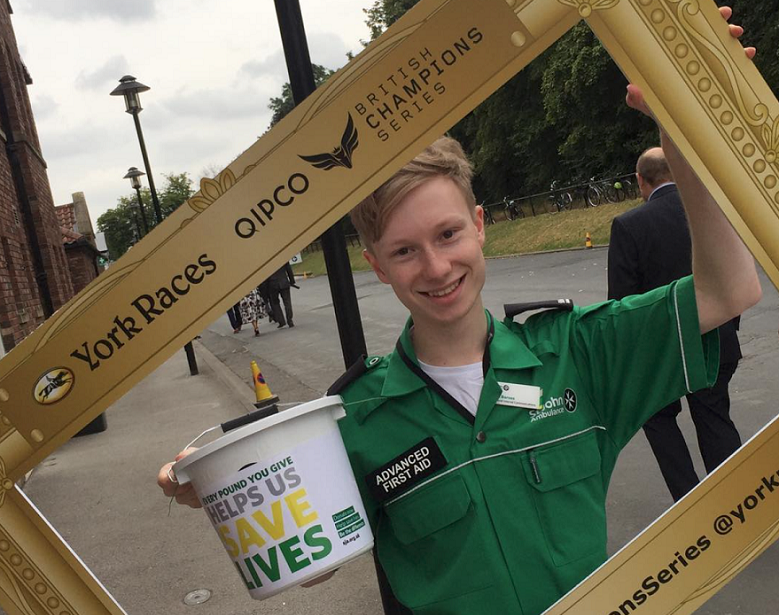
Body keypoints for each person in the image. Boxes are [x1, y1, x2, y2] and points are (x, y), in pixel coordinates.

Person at [159, 11, 758, 614]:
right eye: (404, 251)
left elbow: (728, 291)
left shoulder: (578, 354)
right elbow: (313, 564)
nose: (437, 267)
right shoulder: (356, 422)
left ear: (478, 227)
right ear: (376, 264)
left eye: (448, 234)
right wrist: (228, 489)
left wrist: (684, 122)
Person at [608, 147, 743, 502]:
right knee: (714, 415)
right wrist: (730, 325)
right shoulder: (708, 212)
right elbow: (733, 271)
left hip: (663, 347)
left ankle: (690, 497)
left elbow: (622, 301)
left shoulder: (628, 226)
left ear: (640, 181)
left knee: (657, 417)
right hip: (717, 335)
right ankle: (738, 496)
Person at [267, 262, 296, 328]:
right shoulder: (281, 257)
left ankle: (281, 321)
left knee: (275, 303)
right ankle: (289, 320)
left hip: (272, 284)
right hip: (284, 281)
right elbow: (288, 268)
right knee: (287, 302)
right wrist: (292, 280)